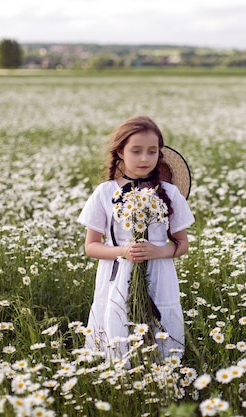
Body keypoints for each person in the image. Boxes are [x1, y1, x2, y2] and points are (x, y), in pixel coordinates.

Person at [77, 115, 194, 362]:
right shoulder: (105, 192)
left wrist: (157, 251)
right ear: (120, 151)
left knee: (160, 319)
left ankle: (163, 371)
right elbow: (91, 246)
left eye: (152, 152)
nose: (144, 158)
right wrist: (123, 252)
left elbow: (182, 244)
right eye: (136, 151)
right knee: (118, 320)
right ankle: (121, 373)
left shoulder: (169, 193)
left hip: (159, 273)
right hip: (117, 273)